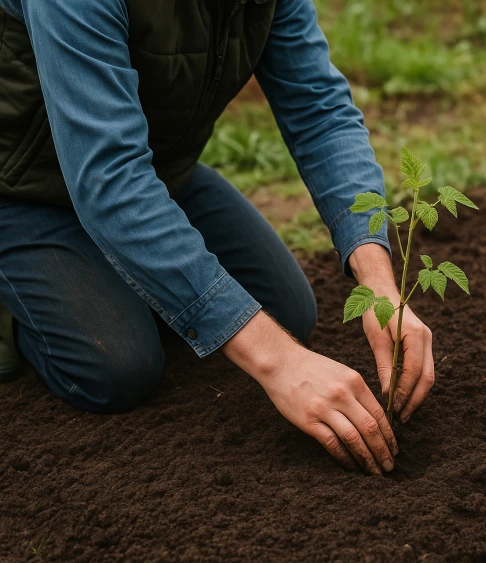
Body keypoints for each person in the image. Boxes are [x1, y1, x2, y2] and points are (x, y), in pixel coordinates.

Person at [0, 0, 435, 475]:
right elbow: (109, 178)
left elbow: (320, 112)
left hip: (156, 175)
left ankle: (126, 260)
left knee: (286, 310)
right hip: (21, 187)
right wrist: (279, 362)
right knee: (118, 368)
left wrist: (378, 283)